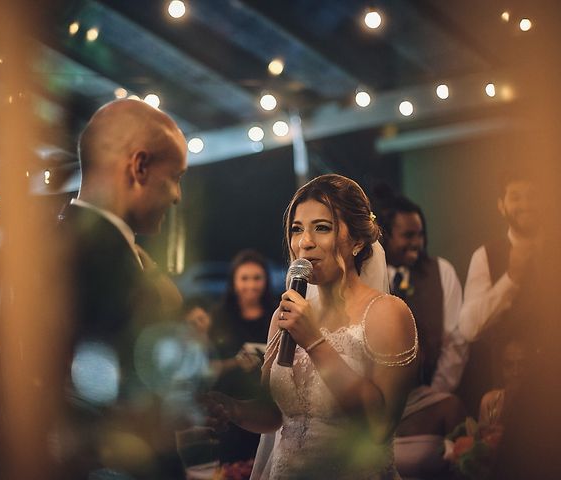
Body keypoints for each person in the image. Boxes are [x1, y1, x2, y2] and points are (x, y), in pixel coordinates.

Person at [205, 174, 418, 479]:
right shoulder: (285, 313)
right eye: (296, 230)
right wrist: (232, 409)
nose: (305, 242)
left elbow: (379, 426)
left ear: (357, 240)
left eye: (322, 228)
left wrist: (315, 342)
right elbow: (274, 415)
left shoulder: (388, 313)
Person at [57, 98, 187, 479]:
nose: (178, 195)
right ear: (140, 166)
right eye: (176, 176)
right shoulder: (95, 263)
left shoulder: (69, 244)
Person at [457, 171, 540, 415]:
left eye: (532, 196)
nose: (525, 205)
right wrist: (511, 278)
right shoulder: (485, 255)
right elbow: (469, 328)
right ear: (501, 206)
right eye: (515, 197)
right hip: (509, 392)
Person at [376, 193, 466, 393]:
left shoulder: (442, 271)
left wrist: (435, 396)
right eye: (408, 235)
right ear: (384, 236)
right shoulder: (366, 276)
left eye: (421, 234)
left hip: (434, 394)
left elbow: (455, 343)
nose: (417, 243)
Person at [209, 250, 276, 464]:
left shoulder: (276, 314)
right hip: (231, 411)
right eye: (244, 278)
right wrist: (235, 362)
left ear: (266, 280)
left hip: (268, 408)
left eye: (257, 278)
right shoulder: (219, 318)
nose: (251, 285)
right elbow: (205, 365)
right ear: (233, 282)